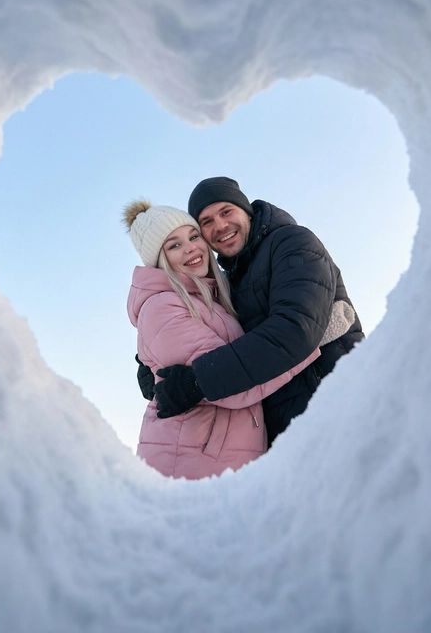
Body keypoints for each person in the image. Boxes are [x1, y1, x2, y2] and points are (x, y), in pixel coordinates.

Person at [145, 177, 364, 444]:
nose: (220, 226)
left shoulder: (291, 242)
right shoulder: (230, 281)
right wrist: (153, 367)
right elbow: (207, 331)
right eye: (207, 222)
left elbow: (294, 330)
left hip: (339, 403)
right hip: (286, 433)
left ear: (246, 210)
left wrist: (199, 381)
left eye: (226, 212)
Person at [124, 199, 320, 480]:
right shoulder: (162, 306)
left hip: (221, 457)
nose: (191, 247)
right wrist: (308, 344)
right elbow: (232, 383)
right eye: (174, 245)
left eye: (193, 236)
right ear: (159, 260)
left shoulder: (212, 299)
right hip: (190, 461)